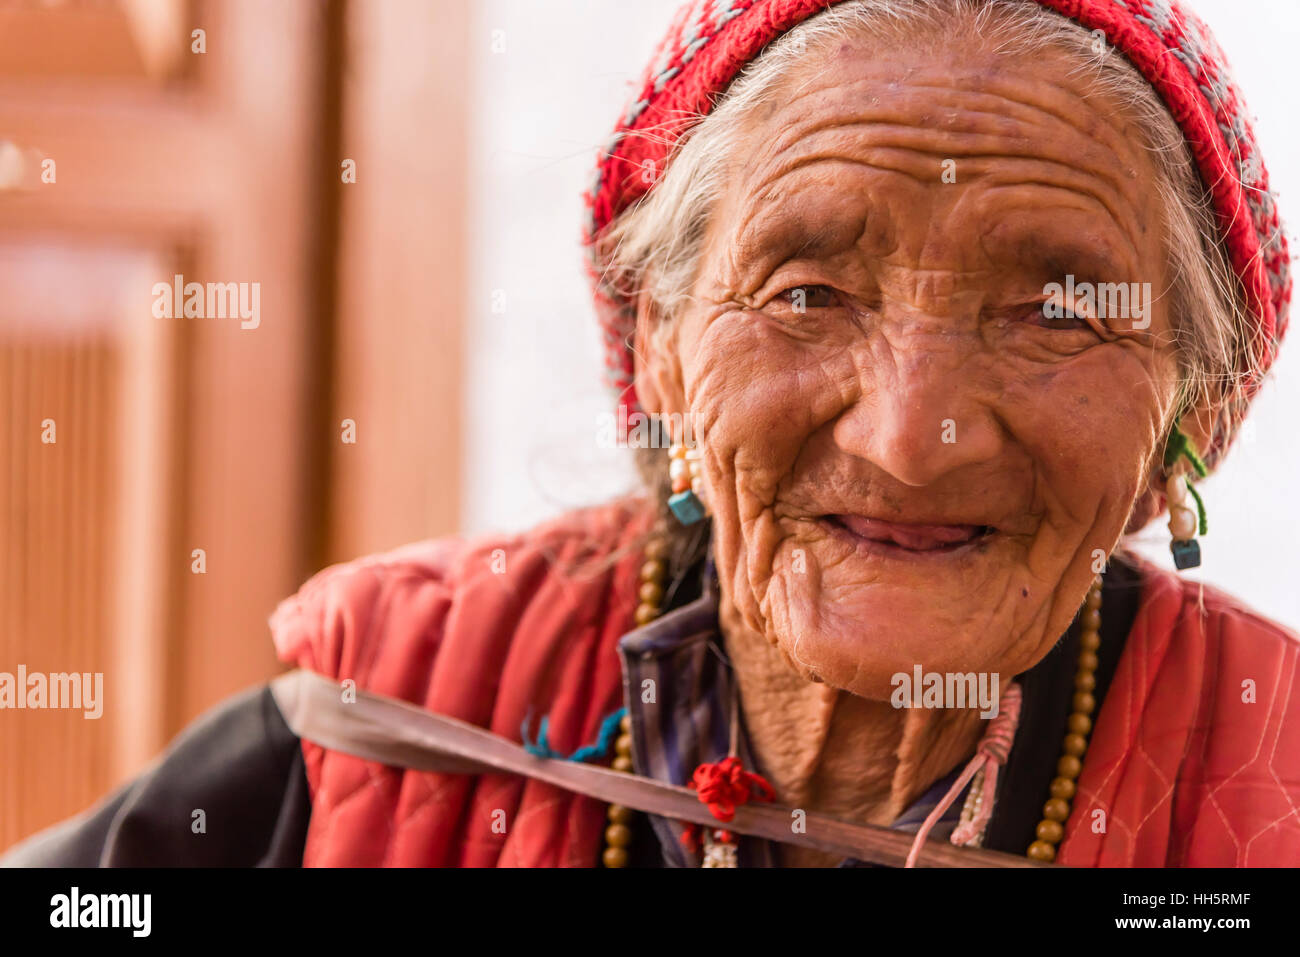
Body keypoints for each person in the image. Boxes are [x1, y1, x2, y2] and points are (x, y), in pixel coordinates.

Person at [5, 0, 1297, 868]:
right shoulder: (389, 719)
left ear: (1194, 410)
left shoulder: (1266, 768)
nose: (912, 435)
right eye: (807, 293)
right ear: (663, 348)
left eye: (1058, 311)